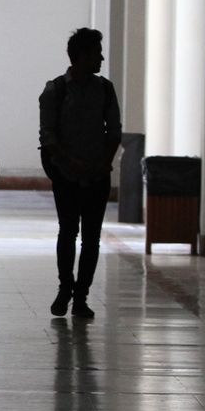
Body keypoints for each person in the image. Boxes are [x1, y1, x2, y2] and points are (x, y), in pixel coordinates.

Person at [39, 28, 122, 319]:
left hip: (98, 175)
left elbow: (114, 131)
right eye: (96, 52)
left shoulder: (105, 89)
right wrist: (68, 162)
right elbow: (47, 134)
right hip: (67, 175)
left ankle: (81, 297)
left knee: (91, 237)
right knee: (68, 231)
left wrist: (104, 162)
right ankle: (65, 288)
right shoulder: (56, 90)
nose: (101, 57)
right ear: (81, 56)